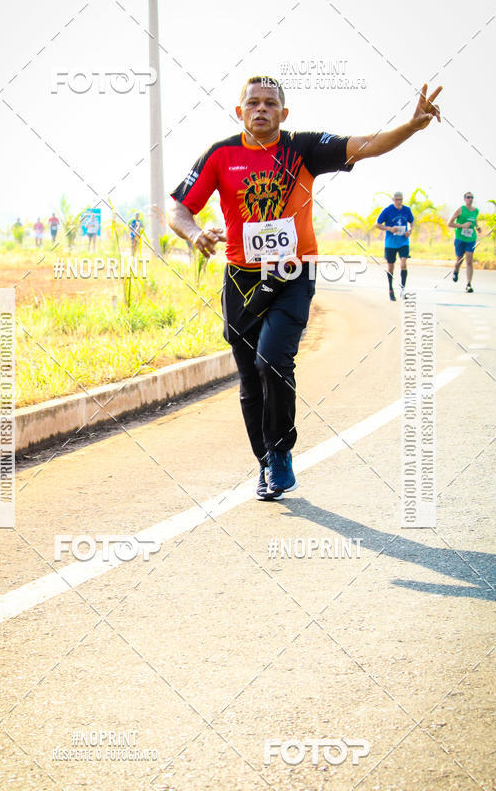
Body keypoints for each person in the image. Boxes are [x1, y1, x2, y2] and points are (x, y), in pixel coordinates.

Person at [168, 76, 442, 500]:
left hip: (292, 273)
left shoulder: (303, 147)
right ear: (239, 111)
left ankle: (280, 453)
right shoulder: (220, 155)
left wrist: (410, 126)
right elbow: (179, 208)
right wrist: (192, 233)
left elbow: (366, 145)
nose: (261, 109)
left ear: (284, 112)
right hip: (241, 278)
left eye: (270, 103)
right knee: (248, 379)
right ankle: (264, 462)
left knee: (272, 360)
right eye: (253, 103)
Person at [376, 191, 414, 300]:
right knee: (391, 266)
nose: (399, 201)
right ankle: (390, 289)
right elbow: (377, 224)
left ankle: (402, 289)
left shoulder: (407, 210)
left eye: (400, 199)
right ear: (393, 200)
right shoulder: (388, 210)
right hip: (390, 242)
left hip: (403, 241)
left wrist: (410, 231)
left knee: (403, 263)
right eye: (397, 199)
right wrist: (389, 229)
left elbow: (411, 221)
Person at [449, 192, 480, 293]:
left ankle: (468, 285)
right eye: (468, 197)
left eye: (472, 197)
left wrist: (478, 227)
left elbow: (475, 221)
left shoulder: (476, 211)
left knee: (469, 261)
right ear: (464, 199)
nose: (470, 199)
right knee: (459, 259)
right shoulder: (460, 210)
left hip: (471, 239)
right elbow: (449, 223)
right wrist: (462, 226)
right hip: (460, 238)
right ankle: (456, 270)